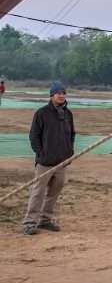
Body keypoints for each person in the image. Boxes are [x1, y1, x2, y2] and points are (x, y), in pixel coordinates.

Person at [22, 81, 75, 235]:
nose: (61, 96)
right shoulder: (42, 113)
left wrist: (69, 152)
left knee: (54, 192)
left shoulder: (68, 114)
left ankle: (45, 220)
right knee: (38, 192)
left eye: (63, 93)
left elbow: (71, 134)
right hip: (45, 162)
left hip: (62, 162)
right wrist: (41, 154)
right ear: (52, 95)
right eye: (58, 93)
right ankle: (30, 222)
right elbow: (34, 136)